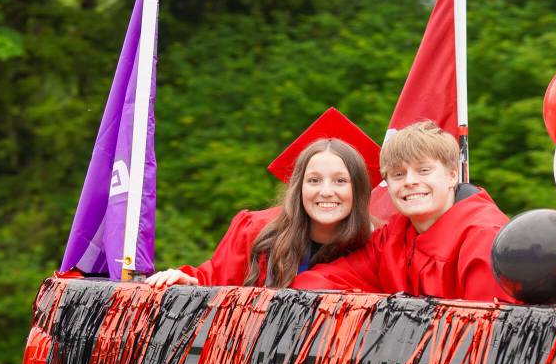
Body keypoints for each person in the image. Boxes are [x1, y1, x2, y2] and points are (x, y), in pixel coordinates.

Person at [290, 121, 514, 303]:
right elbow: (321, 281)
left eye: (423, 170)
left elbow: (487, 336)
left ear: (452, 175)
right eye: (398, 174)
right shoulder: (392, 238)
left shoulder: (485, 238)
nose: (410, 182)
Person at [146, 138, 372, 288]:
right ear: (298, 187)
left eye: (340, 181)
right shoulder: (257, 231)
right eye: (313, 180)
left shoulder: (373, 246)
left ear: (359, 190)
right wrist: (187, 282)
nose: (326, 191)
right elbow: (215, 281)